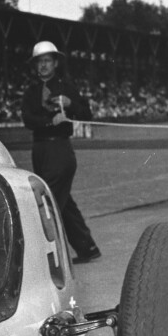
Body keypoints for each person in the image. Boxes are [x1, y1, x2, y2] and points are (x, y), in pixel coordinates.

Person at [21, 41, 101, 264]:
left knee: (48, 202)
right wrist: (49, 122)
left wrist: (70, 103)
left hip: (60, 149)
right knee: (63, 203)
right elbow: (27, 119)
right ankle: (88, 247)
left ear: (55, 62)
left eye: (47, 60)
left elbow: (86, 113)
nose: (43, 66)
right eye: (39, 62)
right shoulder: (31, 92)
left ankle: (48, 258)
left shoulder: (67, 88)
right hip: (40, 149)